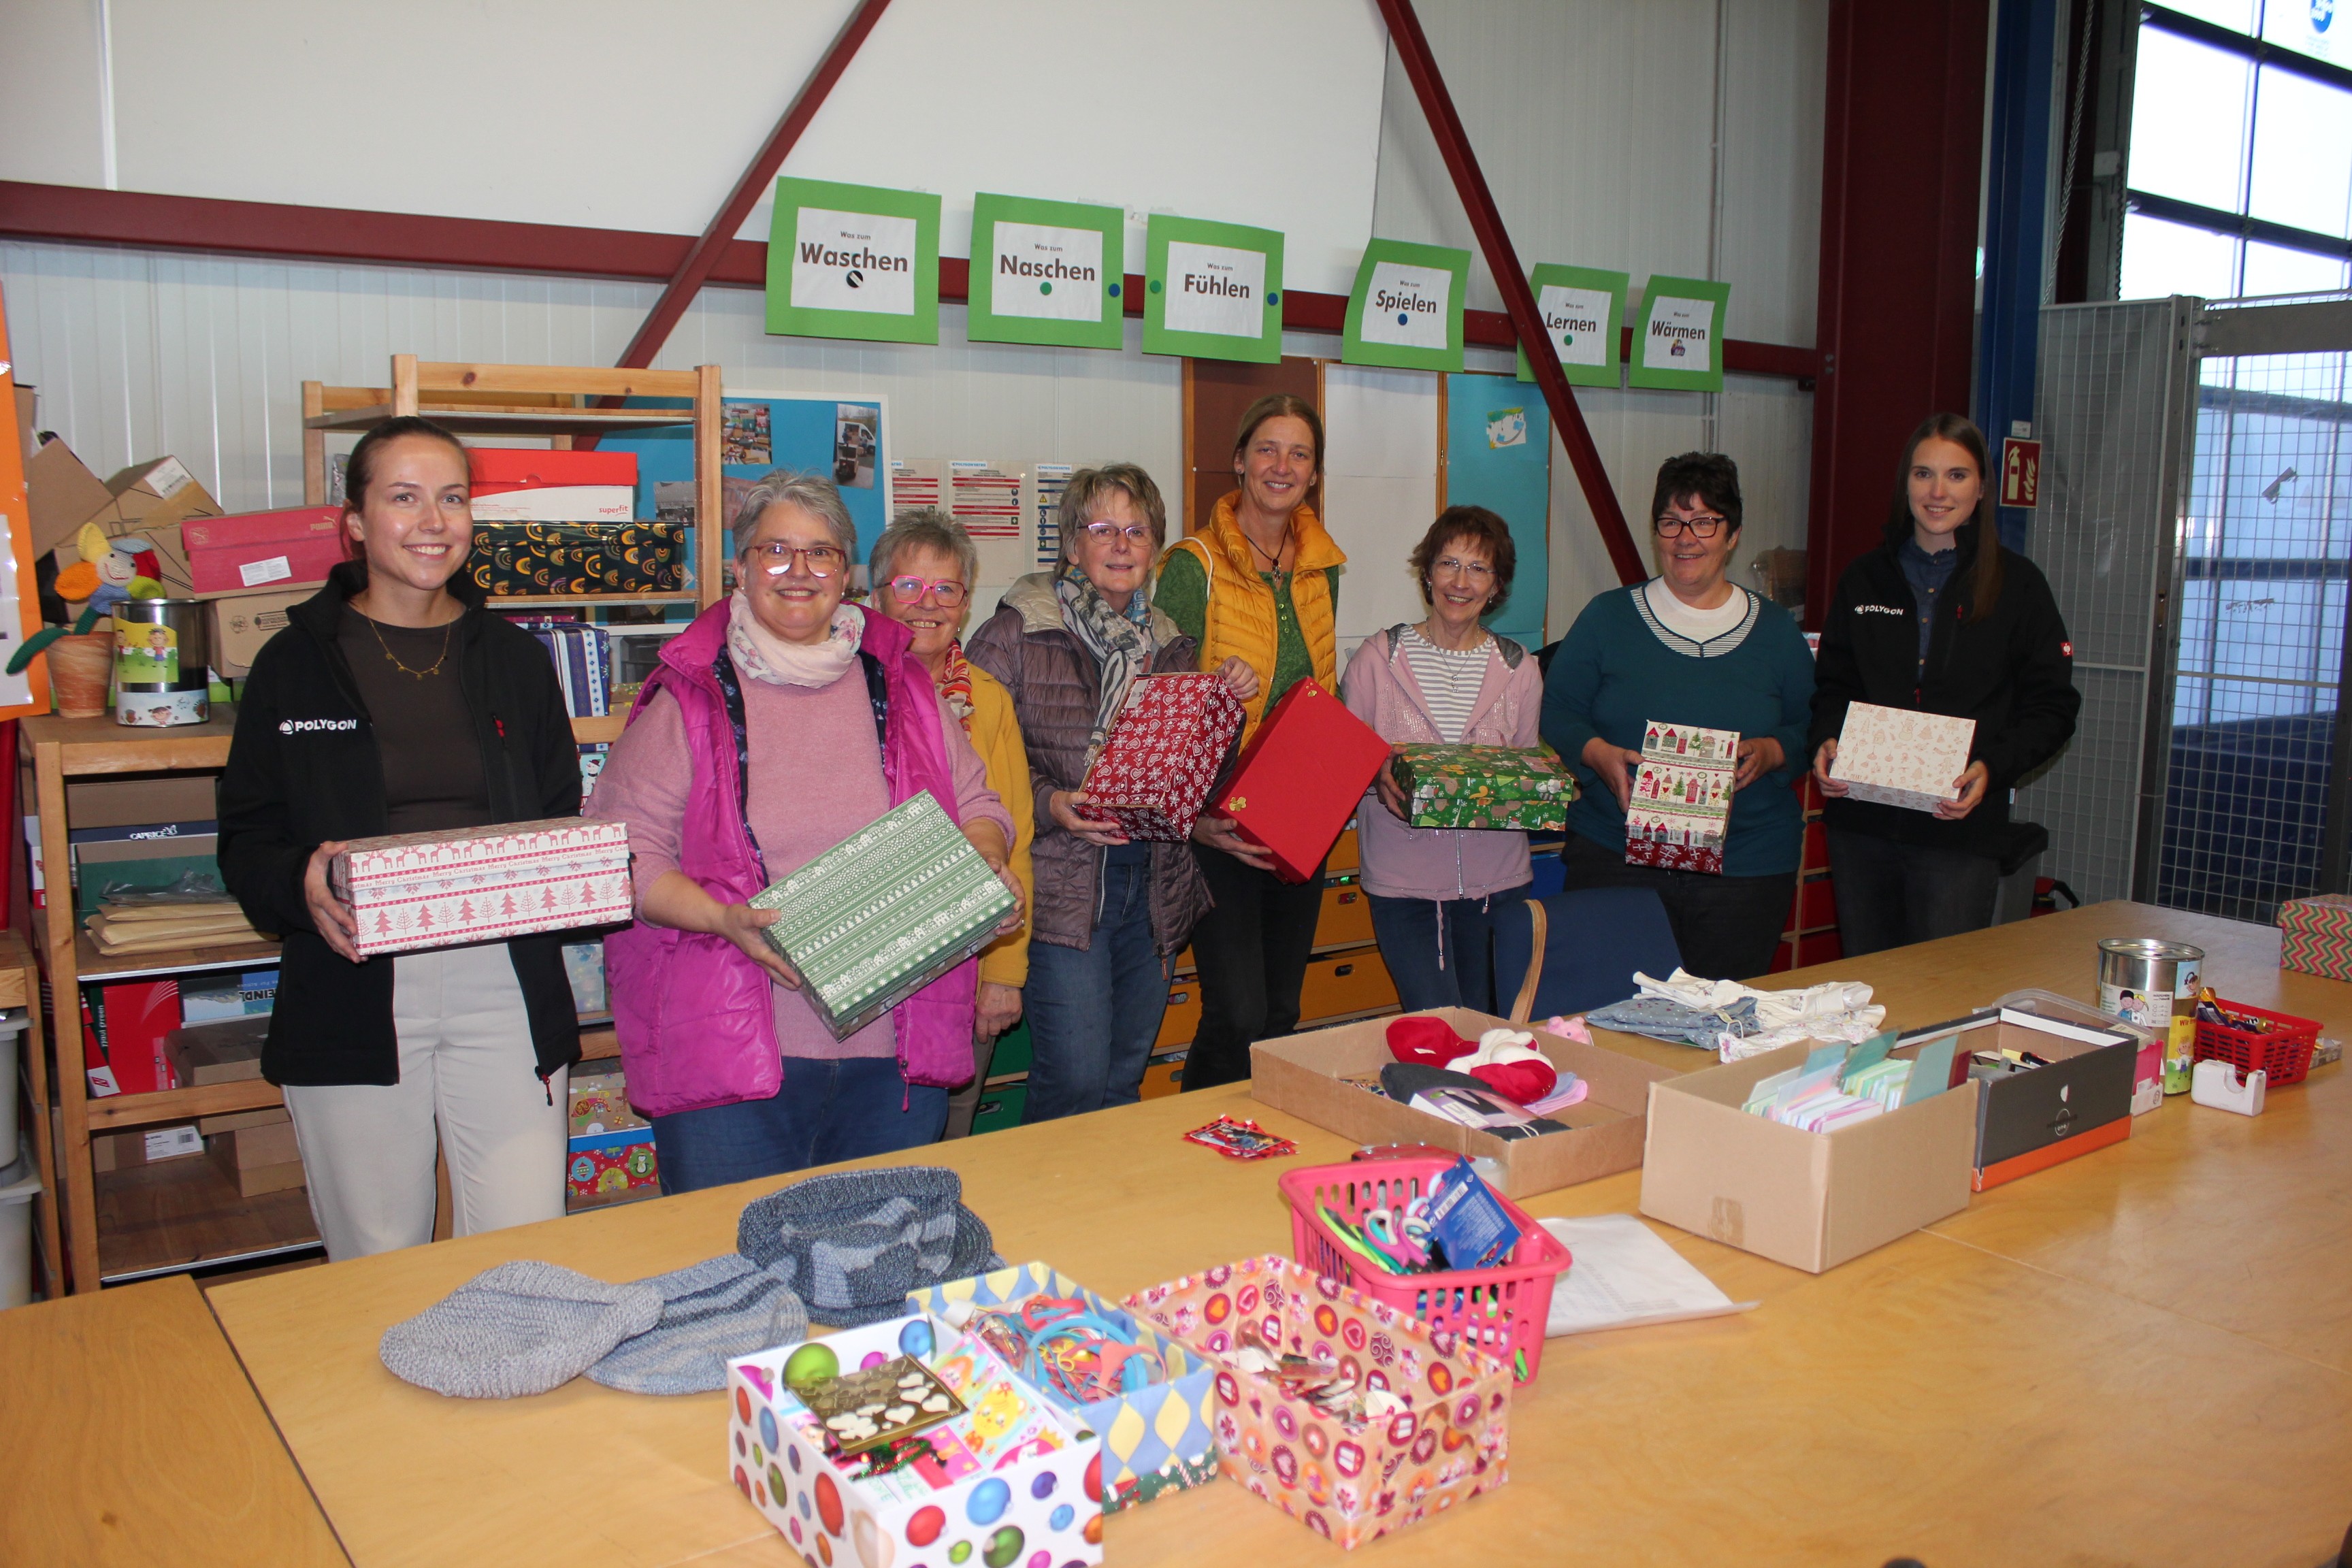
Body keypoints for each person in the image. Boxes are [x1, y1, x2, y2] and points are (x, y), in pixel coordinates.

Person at [218, 414, 584, 1260]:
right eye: (404, 497)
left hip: (506, 979)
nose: (433, 521)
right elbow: (246, 842)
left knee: (526, 1250)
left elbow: (559, 810)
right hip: (354, 984)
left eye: (452, 498)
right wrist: (300, 882)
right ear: (353, 520)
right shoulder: (292, 663)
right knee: (376, 1255)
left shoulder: (515, 659)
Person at [590, 472, 1021, 1190]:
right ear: (740, 567)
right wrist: (724, 918)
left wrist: (982, 863)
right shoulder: (690, 695)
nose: (799, 572)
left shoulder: (901, 685)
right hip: (732, 1061)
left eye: (821, 554)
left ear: (847, 575)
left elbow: (981, 804)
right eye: (776, 551)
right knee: (733, 1276)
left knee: (880, 1269)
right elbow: (624, 855)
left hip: (895, 1055)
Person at [968, 464, 1251, 1120]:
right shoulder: (1017, 630)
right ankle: (1052, 1215)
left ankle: (1110, 1221)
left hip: (1151, 889)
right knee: (1075, 1078)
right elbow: (973, 767)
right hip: (1063, 889)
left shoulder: (1171, 641)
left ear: (1153, 551)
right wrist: (1052, 803)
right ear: (1071, 544)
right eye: (1102, 529)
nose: (1121, 545)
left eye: (1137, 530)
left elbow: (1197, 777)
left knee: (1124, 1081)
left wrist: (1227, 706)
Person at [1809, 412, 2080, 954]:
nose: (1937, 492)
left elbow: (2053, 705)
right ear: (1904, 483)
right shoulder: (1863, 577)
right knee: (1867, 990)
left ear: (1981, 488)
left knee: (1938, 991)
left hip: (1958, 829)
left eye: (1956, 476)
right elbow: (1832, 683)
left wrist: (1992, 768)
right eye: (1923, 474)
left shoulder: (2019, 587)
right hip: (1862, 825)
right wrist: (1825, 740)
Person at [1541, 452, 1815, 981]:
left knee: (1722, 1026)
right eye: (1671, 522)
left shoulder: (1777, 632)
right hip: (1618, 859)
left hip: (1745, 869)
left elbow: (1812, 726)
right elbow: (1558, 709)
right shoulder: (1608, 618)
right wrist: (1598, 755)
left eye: (1704, 521)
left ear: (1732, 534)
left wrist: (1773, 751)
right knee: (1608, 1019)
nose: (1685, 537)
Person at [1154, 394, 1345, 1090]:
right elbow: (1165, 703)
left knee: (1281, 1010)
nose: (1281, 466)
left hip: (1300, 806)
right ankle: (1200, 1136)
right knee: (1236, 1010)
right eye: (1267, 449)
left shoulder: (1323, 568)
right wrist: (1194, 821)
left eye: (1299, 454)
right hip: (1220, 812)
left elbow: (1321, 685)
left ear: (1315, 473)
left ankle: (1256, 1142)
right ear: (1238, 461)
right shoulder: (1192, 564)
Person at [868, 508, 1034, 1137]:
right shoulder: (846, 686)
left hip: (966, 959)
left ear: (966, 604)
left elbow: (1014, 832)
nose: (927, 604)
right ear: (877, 596)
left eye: (946, 589)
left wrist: (1003, 975)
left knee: (951, 1131)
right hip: (870, 952)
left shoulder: (988, 699)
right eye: (909, 586)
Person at [1341, 506, 1543, 1011]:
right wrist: (1376, 775)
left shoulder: (1521, 670)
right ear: (1427, 573)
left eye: (1479, 568)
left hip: (1496, 886)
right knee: (1438, 1026)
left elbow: (1525, 767)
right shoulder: (1377, 658)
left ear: (1496, 586)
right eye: (1448, 563)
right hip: (1403, 882)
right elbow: (1344, 764)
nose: (1461, 581)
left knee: (1487, 1025)